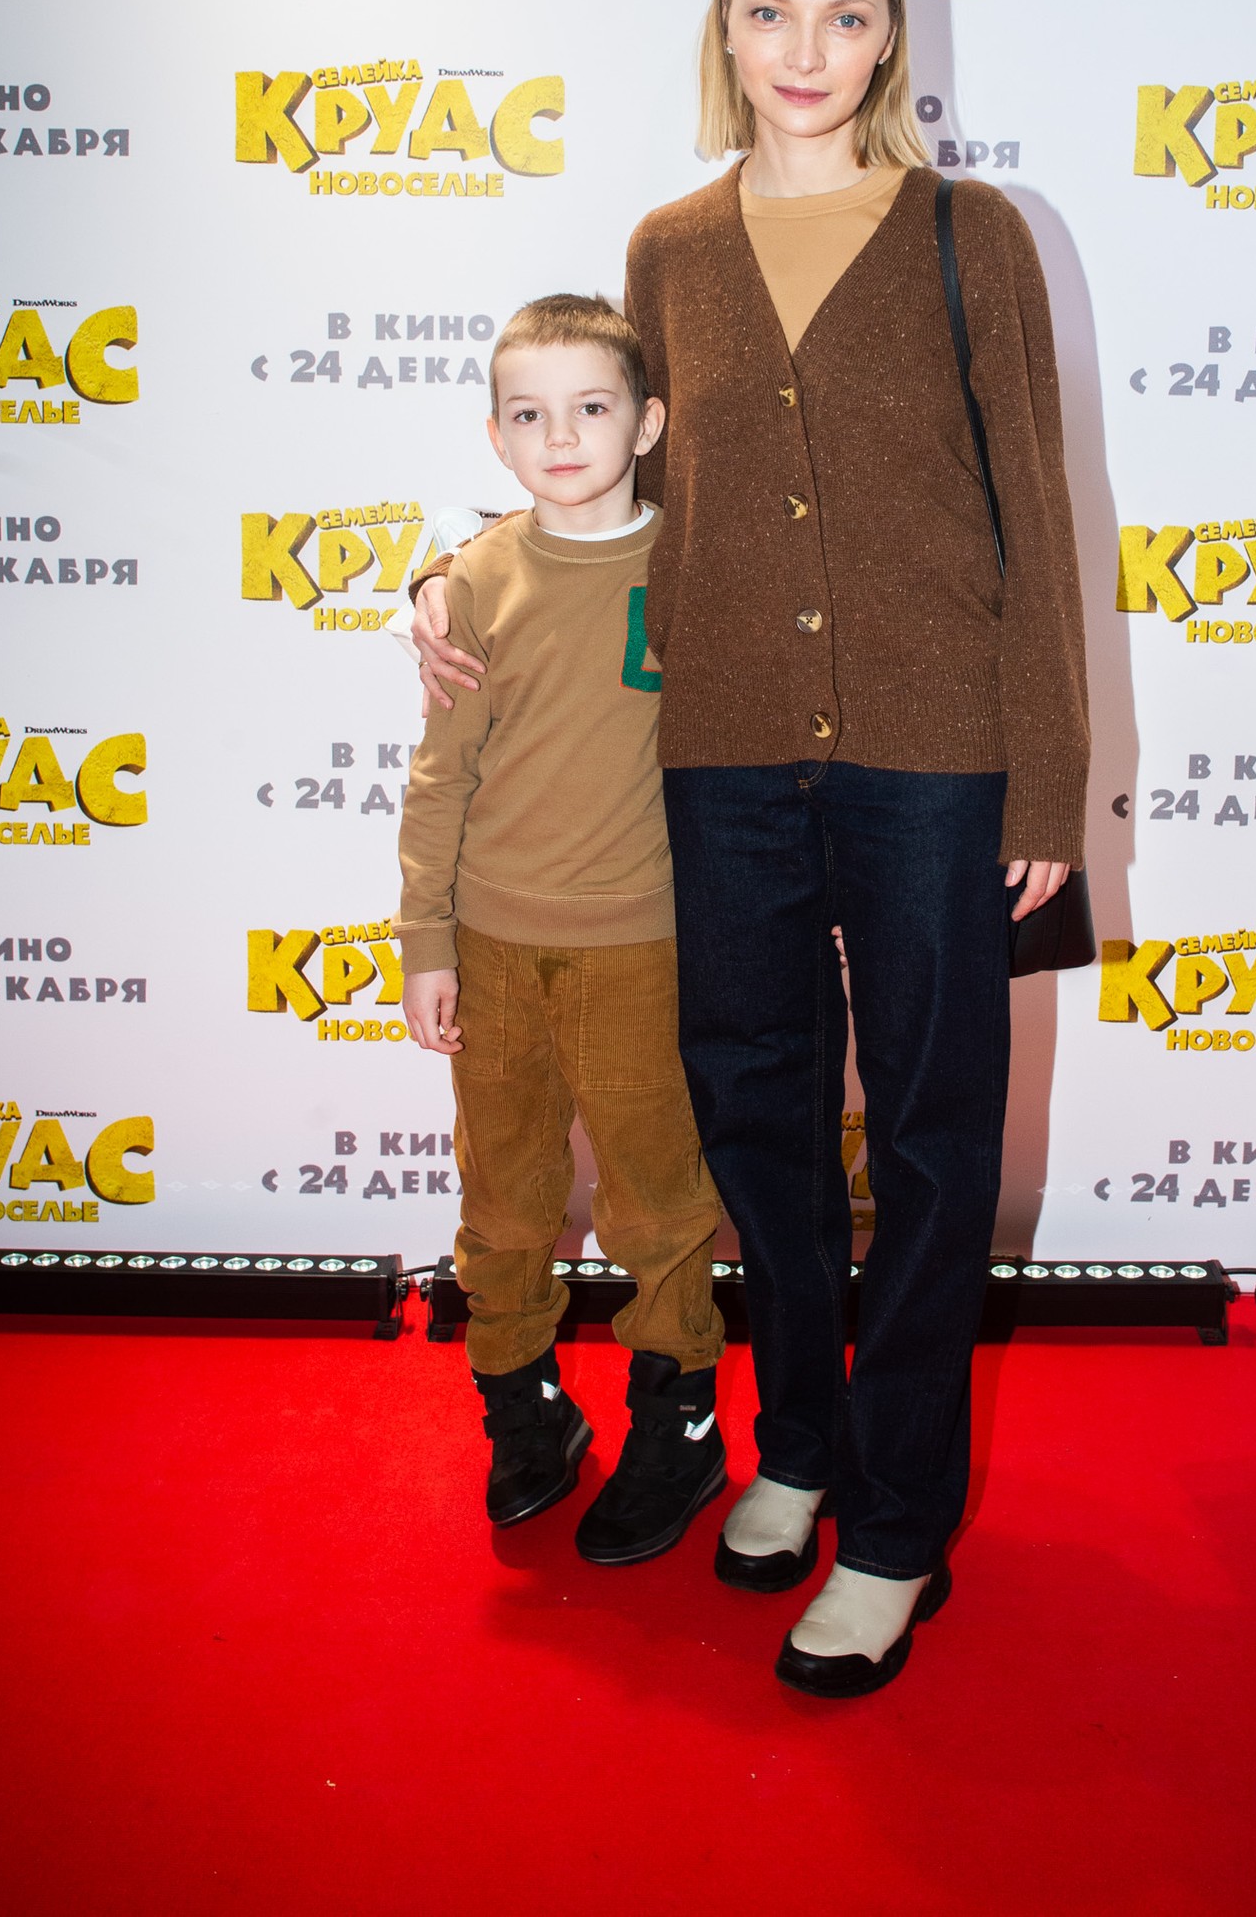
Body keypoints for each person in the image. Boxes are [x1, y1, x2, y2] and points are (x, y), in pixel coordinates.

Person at [414, 0, 1088, 1694]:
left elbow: (1036, 510)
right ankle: (796, 1442)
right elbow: (622, 488)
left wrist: (1048, 781)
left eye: (846, 14)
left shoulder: (969, 233)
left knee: (932, 1138)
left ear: (891, 39)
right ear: (725, 28)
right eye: (771, 10)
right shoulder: (670, 248)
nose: (807, 48)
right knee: (760, 1121)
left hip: (936, 751)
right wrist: (454, 571)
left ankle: (898, 1523)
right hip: (716, 751)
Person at [398, 294, 727, 1567]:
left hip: (642, 945)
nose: (563, 436)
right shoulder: (475, 578)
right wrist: (426, 942)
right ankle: (522, 1401)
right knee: (505, 1193)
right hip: (490, 946)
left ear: (647, 423)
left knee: (657, 1199)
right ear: (497, 438)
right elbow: (440, 779)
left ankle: (678, 1420)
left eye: (592, 407)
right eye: (529, 415)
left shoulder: (695, 563)